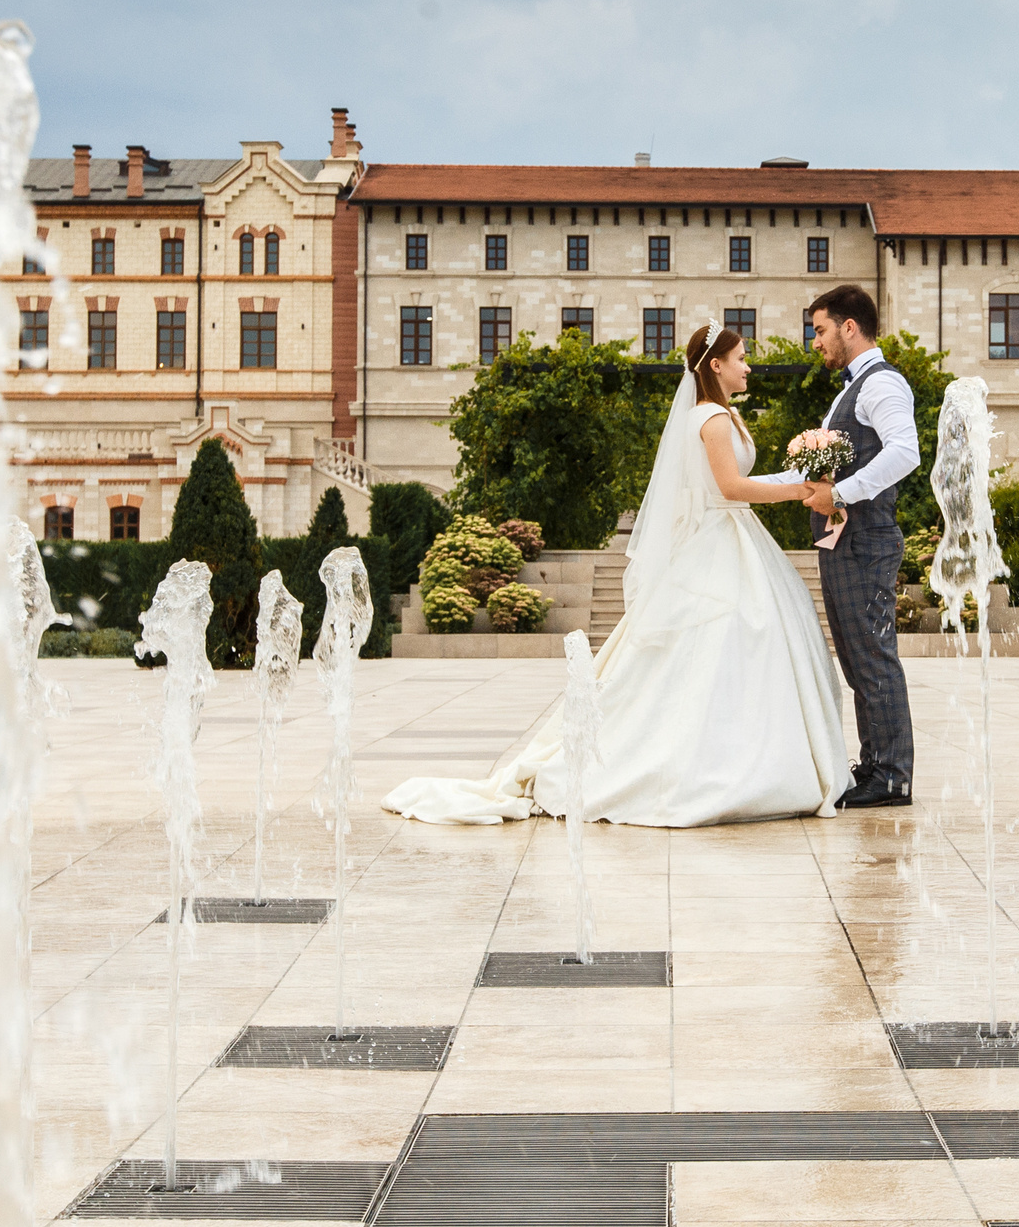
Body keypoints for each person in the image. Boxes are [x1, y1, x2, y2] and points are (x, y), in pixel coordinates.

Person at [381, 323, 852, 827]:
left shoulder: (723, 415)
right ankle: (713, 764)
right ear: (715, 365)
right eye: (740, 358)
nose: (748, 366)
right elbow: (730, 488)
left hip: (732, 539)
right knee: (728, 639)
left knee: (737, 645)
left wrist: (800, 478)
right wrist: (799, 491)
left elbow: (733, 485)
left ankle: (739, 753)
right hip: (720, 540)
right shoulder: (711, 417)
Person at [766, 283, 918, 809]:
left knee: (874, 657)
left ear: (849, 328)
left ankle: (894, 776)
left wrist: (841, 493)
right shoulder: (849, 389)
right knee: (857, 661)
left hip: (867, 542)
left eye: (821, 330)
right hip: (844, 545)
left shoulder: (882, 384)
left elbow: (905, 452)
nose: (817, 342)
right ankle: (875, 764)